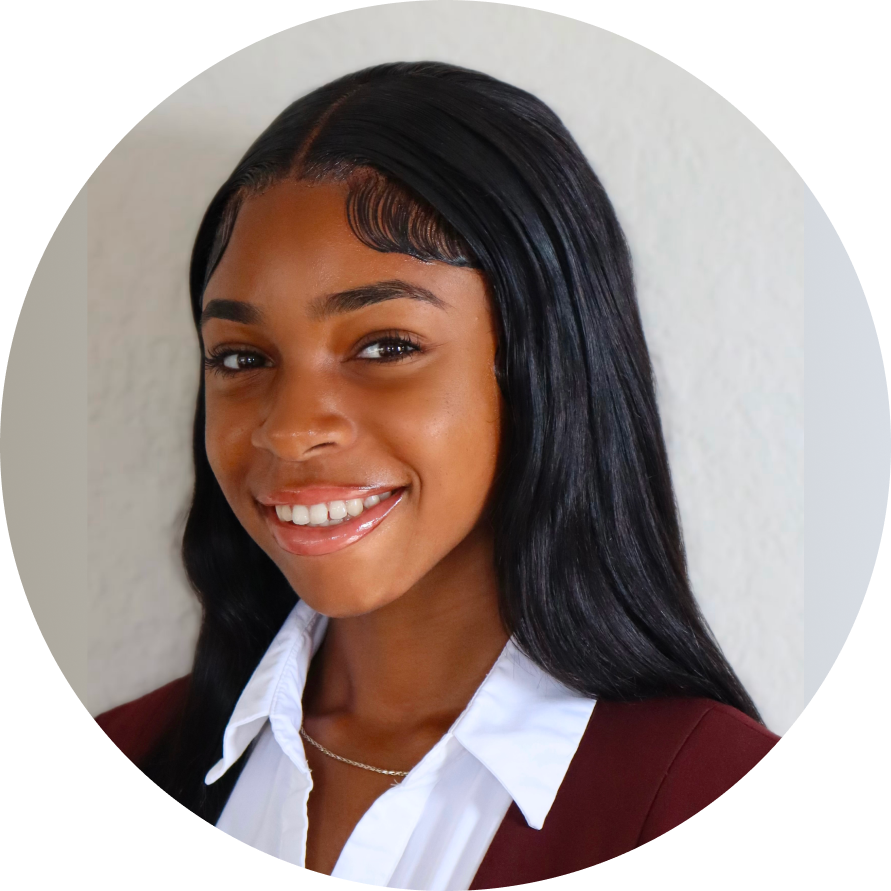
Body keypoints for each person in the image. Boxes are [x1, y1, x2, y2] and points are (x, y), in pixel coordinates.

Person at [96, 61, 780, 884]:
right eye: (242, 357)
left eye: (385, 346)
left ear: (542, 368)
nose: (290, 429)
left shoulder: (699, 786)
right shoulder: (132, 746)